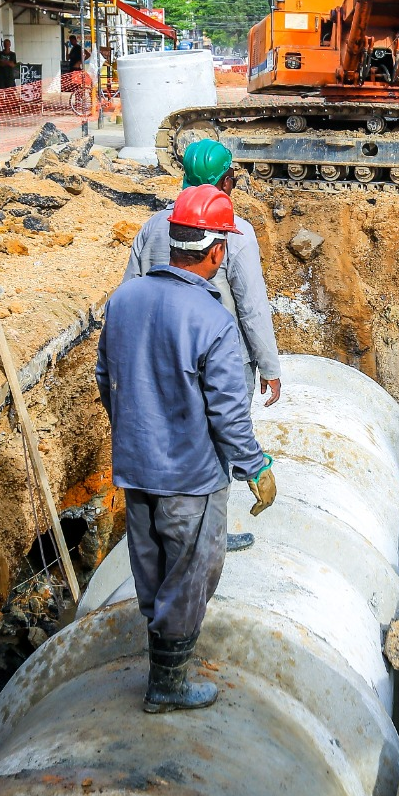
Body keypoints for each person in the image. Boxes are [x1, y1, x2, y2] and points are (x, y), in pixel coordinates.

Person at [97, 184, 278, 713]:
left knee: (150, 568)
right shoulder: (212, 321)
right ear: (217, 252)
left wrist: (137, 431)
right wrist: (254, 467)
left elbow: (107, 378)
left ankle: (161, 664)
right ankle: (168, 683)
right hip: (191, 479)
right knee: (193, 570)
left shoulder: (124, 300)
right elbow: (227, 412)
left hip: (136, 468)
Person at [126, 139, 282, 552]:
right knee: (218, 446)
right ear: (222, 182)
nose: (234, 184)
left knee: (167, 437)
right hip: (220, 358)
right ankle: (212, 534)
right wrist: (270, 366)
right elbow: (251, 306)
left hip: (160, 358)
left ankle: (165, 524)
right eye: (232, 177)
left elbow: (131, 292)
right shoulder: (236, 235)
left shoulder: (154, 227)